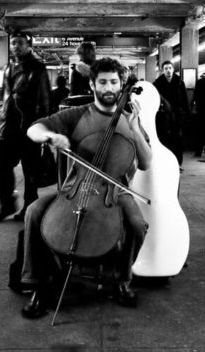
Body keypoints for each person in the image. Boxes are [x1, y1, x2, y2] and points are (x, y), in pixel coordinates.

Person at [20, 57, 152, 319]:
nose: (108, 88)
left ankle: (121, 280)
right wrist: (49, 136)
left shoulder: (129, 119)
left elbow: (147, 163)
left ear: (120, 84)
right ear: (92, 84)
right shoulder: (77, 114)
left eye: (114, 82)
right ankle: (38, 286)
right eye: (102, 82)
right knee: (34, 212)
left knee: (138, 224)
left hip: (115, 192)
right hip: (74, 188)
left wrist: (136, 128)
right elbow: (33, 129)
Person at [0, 30, 51, 223]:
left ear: (29, 46)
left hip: (28, 126)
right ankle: (6, 205)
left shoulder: (37, 68)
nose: (16, 46)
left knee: (30, 170)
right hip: (8, 127)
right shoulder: (8, 68)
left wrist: (41, 127)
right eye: (14, 42)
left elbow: (44, 100)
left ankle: (29, 207)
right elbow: (3, 98)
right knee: (3, 167)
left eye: (20, 43)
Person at [153, 60, 190, 168]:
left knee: (177, 140)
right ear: (162, 71)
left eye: (170, 68)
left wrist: (187, 115)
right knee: (164, 140)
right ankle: (165, 163)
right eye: (166, 68)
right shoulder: (157, 84)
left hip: (177, 117)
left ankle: (178, 163)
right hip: (163, 117)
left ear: (173, 69)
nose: (168, 70)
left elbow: (185, 100)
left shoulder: (179, 82)